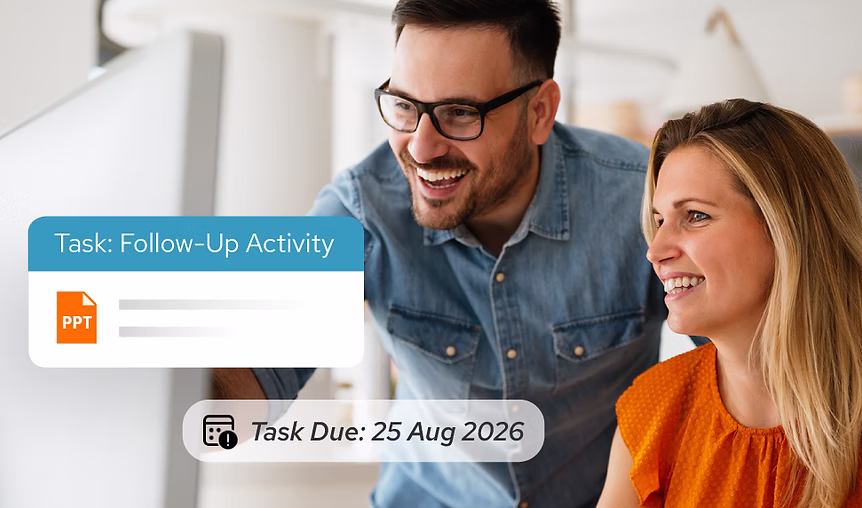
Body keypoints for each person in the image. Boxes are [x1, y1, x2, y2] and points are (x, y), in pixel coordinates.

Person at [213, 1, 674, 506]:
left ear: (539, 112)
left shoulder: (643, 201)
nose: (420, 147)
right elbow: (254, 374)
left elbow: (748, 364)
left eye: (459, 113)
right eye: (405, 105)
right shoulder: (360, 211)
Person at [597, 99, 862, 508]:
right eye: (660, 220)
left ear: (786, 228)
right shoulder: (651, 410)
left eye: (696, 216)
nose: (657, 250)